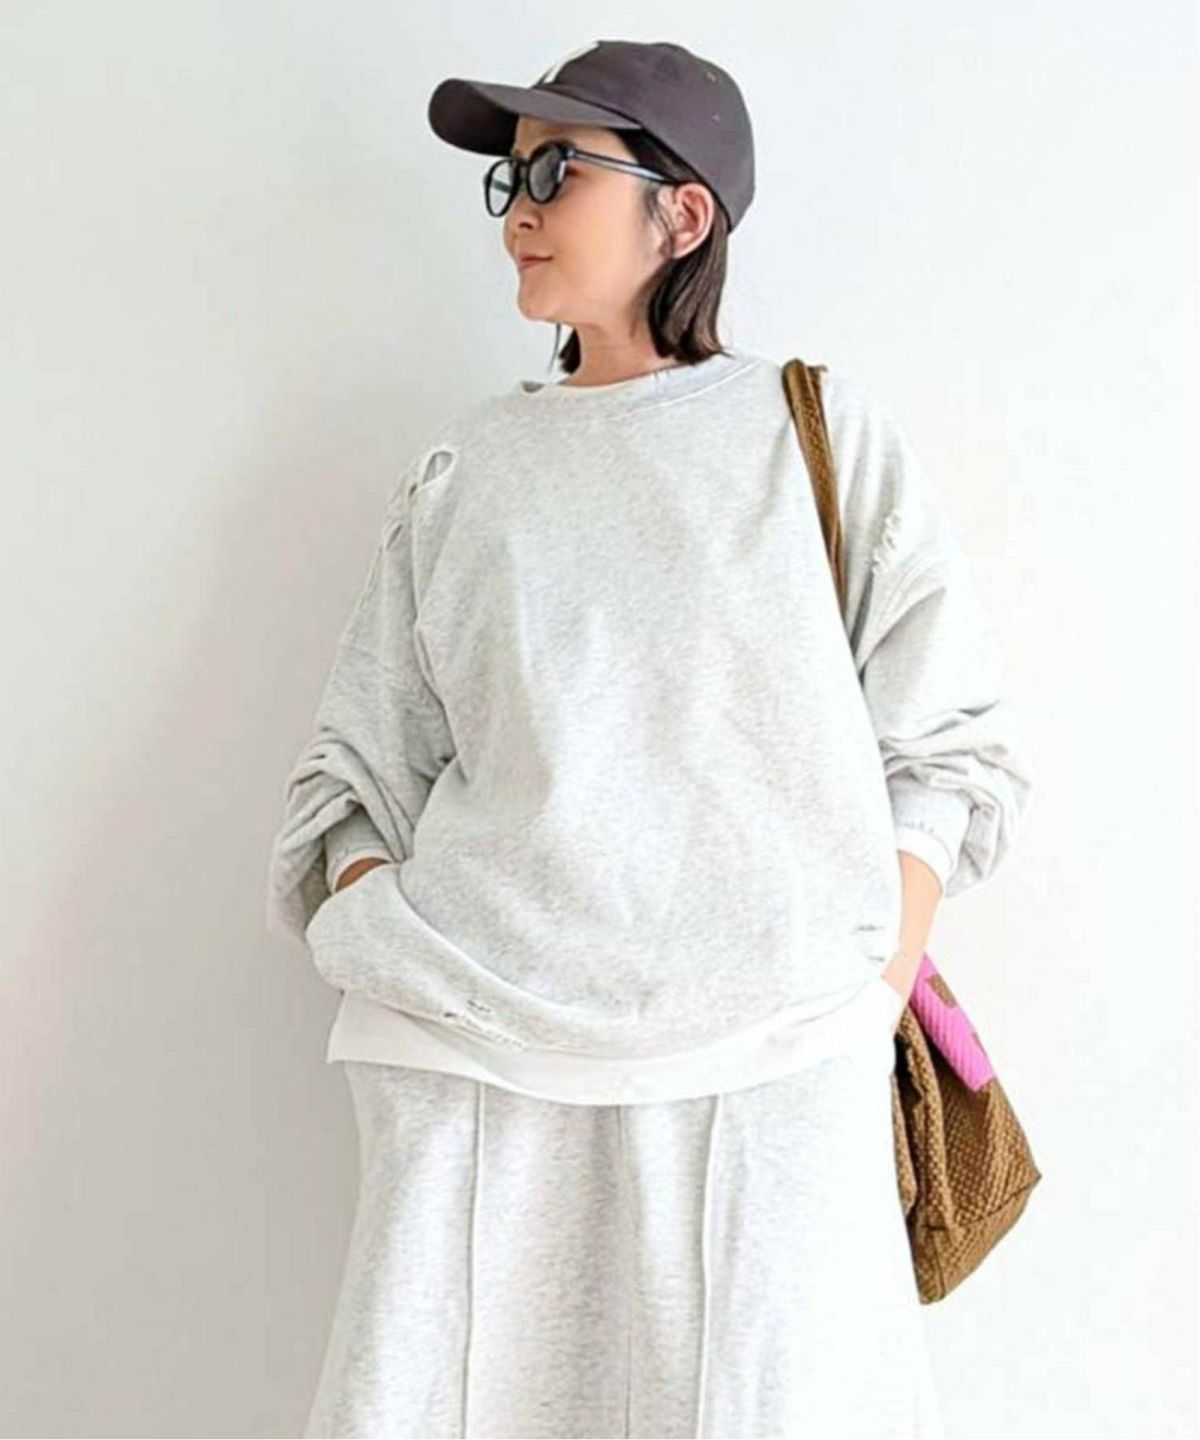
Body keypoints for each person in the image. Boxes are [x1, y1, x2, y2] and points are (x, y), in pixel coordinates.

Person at [266, 39, 1032, 1440]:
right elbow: (355, 767)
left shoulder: (812, 429)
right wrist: (392, 931)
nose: (518, 209)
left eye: (557, 171)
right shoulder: (466, 467)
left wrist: (873, 977)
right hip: (479, 1061)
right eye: (509, 177)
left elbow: (950, 742)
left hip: (774, 1058)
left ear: (682, 214)